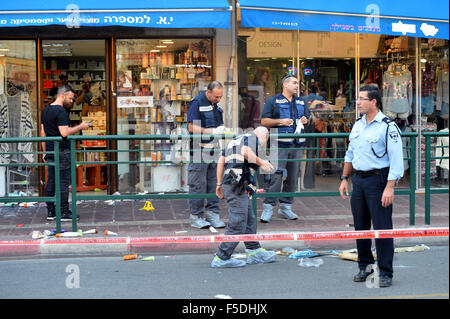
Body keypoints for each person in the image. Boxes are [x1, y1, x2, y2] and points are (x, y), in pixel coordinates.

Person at [339, 85, 404, 288]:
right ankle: (365, 266)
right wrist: (344, 177)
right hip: (359, 180)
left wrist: (390, 187)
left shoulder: (387, 126)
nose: (357, 102)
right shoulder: (358, 124)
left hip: (379, 181)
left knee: (382, 228)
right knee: (361, 227)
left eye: (361, 99)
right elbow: (350, 153)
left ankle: (385, 272)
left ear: (373, 102)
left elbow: (396, 161)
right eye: (357, 98)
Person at [211, 126, 277, 268]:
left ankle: (254, 250)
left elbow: (221, 161)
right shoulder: (252, 138)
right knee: (239, 220)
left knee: (249, 219)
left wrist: (218, 183)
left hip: (233, 183)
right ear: (265, 136)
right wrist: (262, 162)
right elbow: (245, 152)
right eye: (266, 140)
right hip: (236, 184)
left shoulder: (234, 140)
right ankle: (222, 257)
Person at [260, 75, 310, 223]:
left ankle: (285, 207)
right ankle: (268, 207)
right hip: (279, 145)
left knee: (293, 177)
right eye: (294, 83)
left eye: (298, 83)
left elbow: (307, 119)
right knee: (275, 176)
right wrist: (280, 121)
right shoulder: (273, 101)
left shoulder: (301, 101)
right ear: (285, 85)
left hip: (296, 145)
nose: (297, 86)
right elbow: (264, 121)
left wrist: (306, 120)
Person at [41, 85, 90, 221]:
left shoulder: (45, 111)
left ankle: (50, 211)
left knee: (51, 181)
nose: (72, 101)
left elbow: (43, 133)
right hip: (62, 151)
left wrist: (44, 151)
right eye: (70, 98)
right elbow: (64, 132)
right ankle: (63, 212)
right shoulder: (61, 112)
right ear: (63, 95)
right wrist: (81, 126)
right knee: (62, 182)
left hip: (50, 150)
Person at [187, 81, 227, 229]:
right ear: (208, 92)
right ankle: (196, 216)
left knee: (214, 183)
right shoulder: (197, 103)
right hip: (199, 149)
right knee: (197, 184)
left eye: (220, 96)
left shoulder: (217, 106)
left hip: (214, 149)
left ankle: (212, 214)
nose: (218, 99)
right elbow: (191, 127)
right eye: (216, 96)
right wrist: (210, 131)